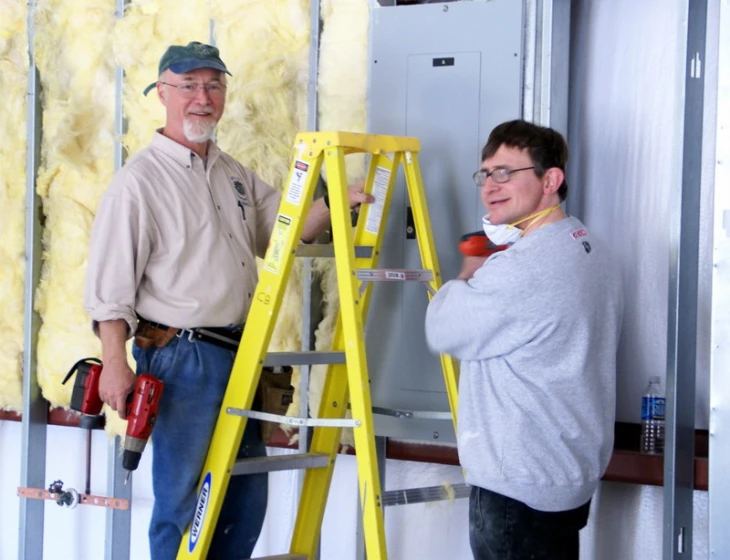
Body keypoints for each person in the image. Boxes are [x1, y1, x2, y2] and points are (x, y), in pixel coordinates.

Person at [84, 41, 372, 560]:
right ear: (162, 93)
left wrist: (334, 204)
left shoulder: (232, 172)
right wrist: (113, 362)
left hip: (239, 354)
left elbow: (279, 234)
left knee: (242, 499)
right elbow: (110, 288)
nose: (203, 97)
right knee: (184, 499)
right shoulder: (139, 183)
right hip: (181, 359)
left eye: (214, 86)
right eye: (189, 85)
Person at [425, 120, 623, 560]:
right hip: (564, 475)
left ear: (550, 179)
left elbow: (443, 328)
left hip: (516, 487)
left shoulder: (522, 267)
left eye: (505, 173)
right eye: (485, 174)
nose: (490, 187)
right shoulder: (592, 249)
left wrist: (468, 274)